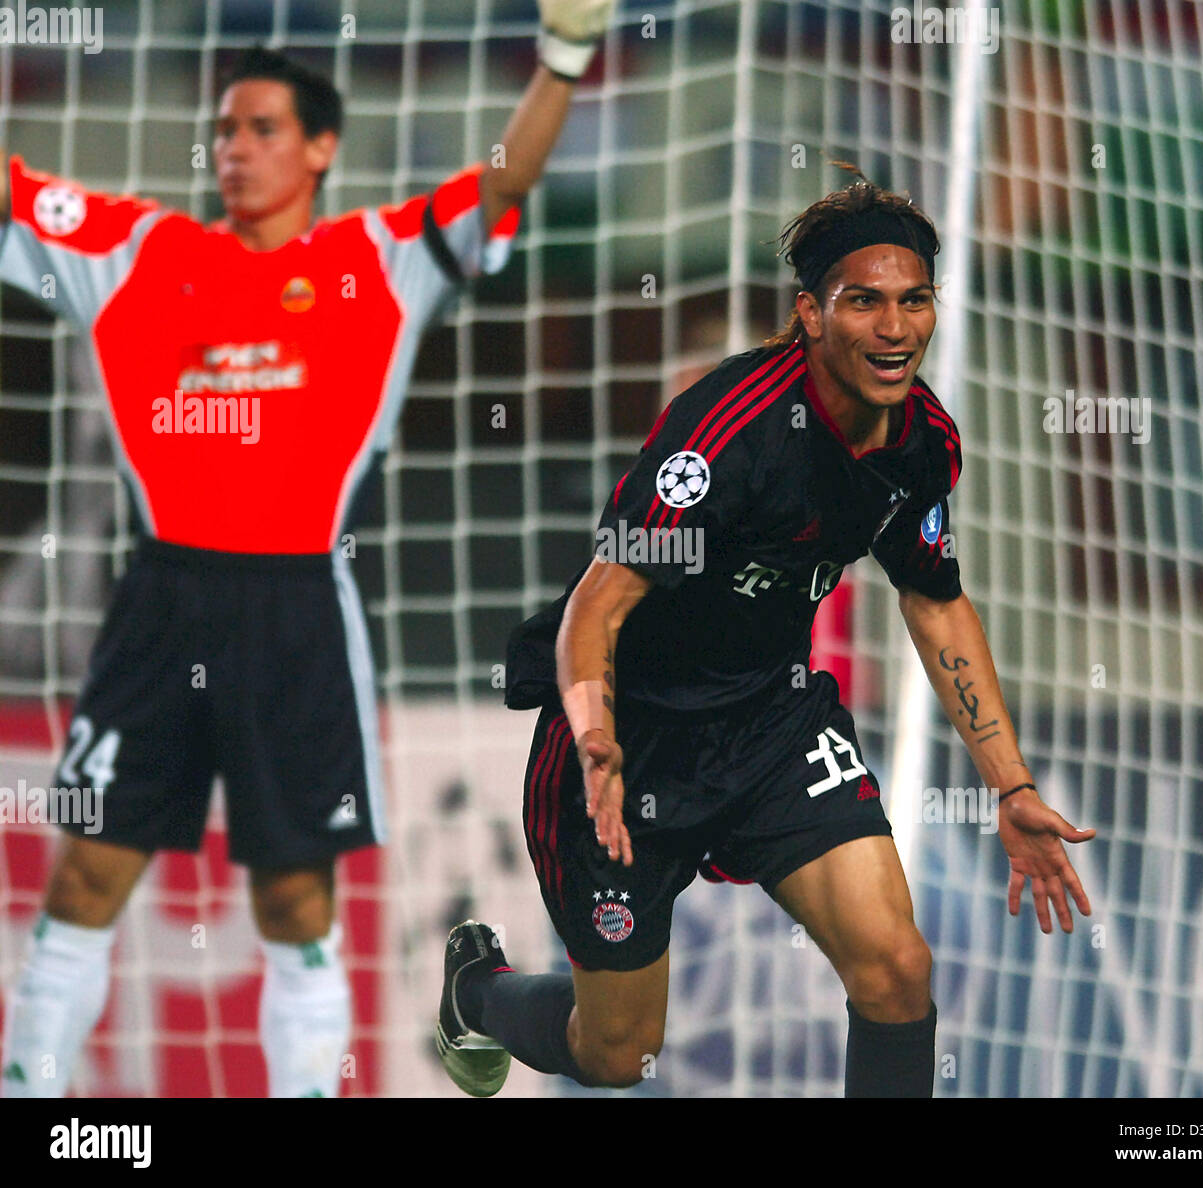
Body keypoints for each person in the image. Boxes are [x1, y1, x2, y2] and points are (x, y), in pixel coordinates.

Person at [0, 0, 615, 1099]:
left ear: (323, 145)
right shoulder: (140, 250)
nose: (234, 148)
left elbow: (505, 183)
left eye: (263, 128)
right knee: (88, 873)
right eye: (225, 129)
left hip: (295, 610)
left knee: (293, 900)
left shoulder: (375, 263)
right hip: (159, 602)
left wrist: (562, 58)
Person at [435, 169, 1096, 1098]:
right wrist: (593, 746)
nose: (894, 328)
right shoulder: (721, 439)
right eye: (862, 302)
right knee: (617, 1055)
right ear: (811, 315)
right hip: (632, 741)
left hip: (773, 727)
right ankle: (475, 990)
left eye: (913, 301)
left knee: (898, 968)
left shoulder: (922, 443)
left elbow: (935, 596)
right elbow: (595, 608)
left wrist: (1010, 783)